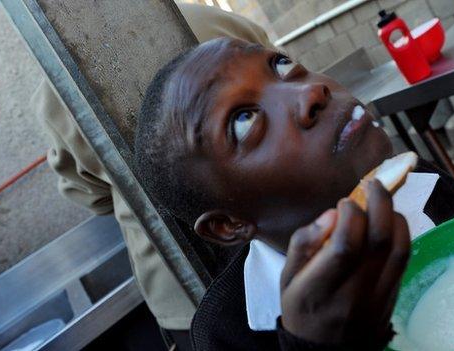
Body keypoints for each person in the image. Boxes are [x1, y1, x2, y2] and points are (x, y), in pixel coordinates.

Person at [134, 38, 454, 350]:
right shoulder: (228, 330)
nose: (310, 91)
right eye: (243, 120)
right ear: (228, 224)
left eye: (281, 65)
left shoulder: (428, 188)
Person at [31, 4, 273, 350]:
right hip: (278, 239)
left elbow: (90, 194)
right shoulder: (211, 22)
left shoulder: (55, 89)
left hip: (182, 295)